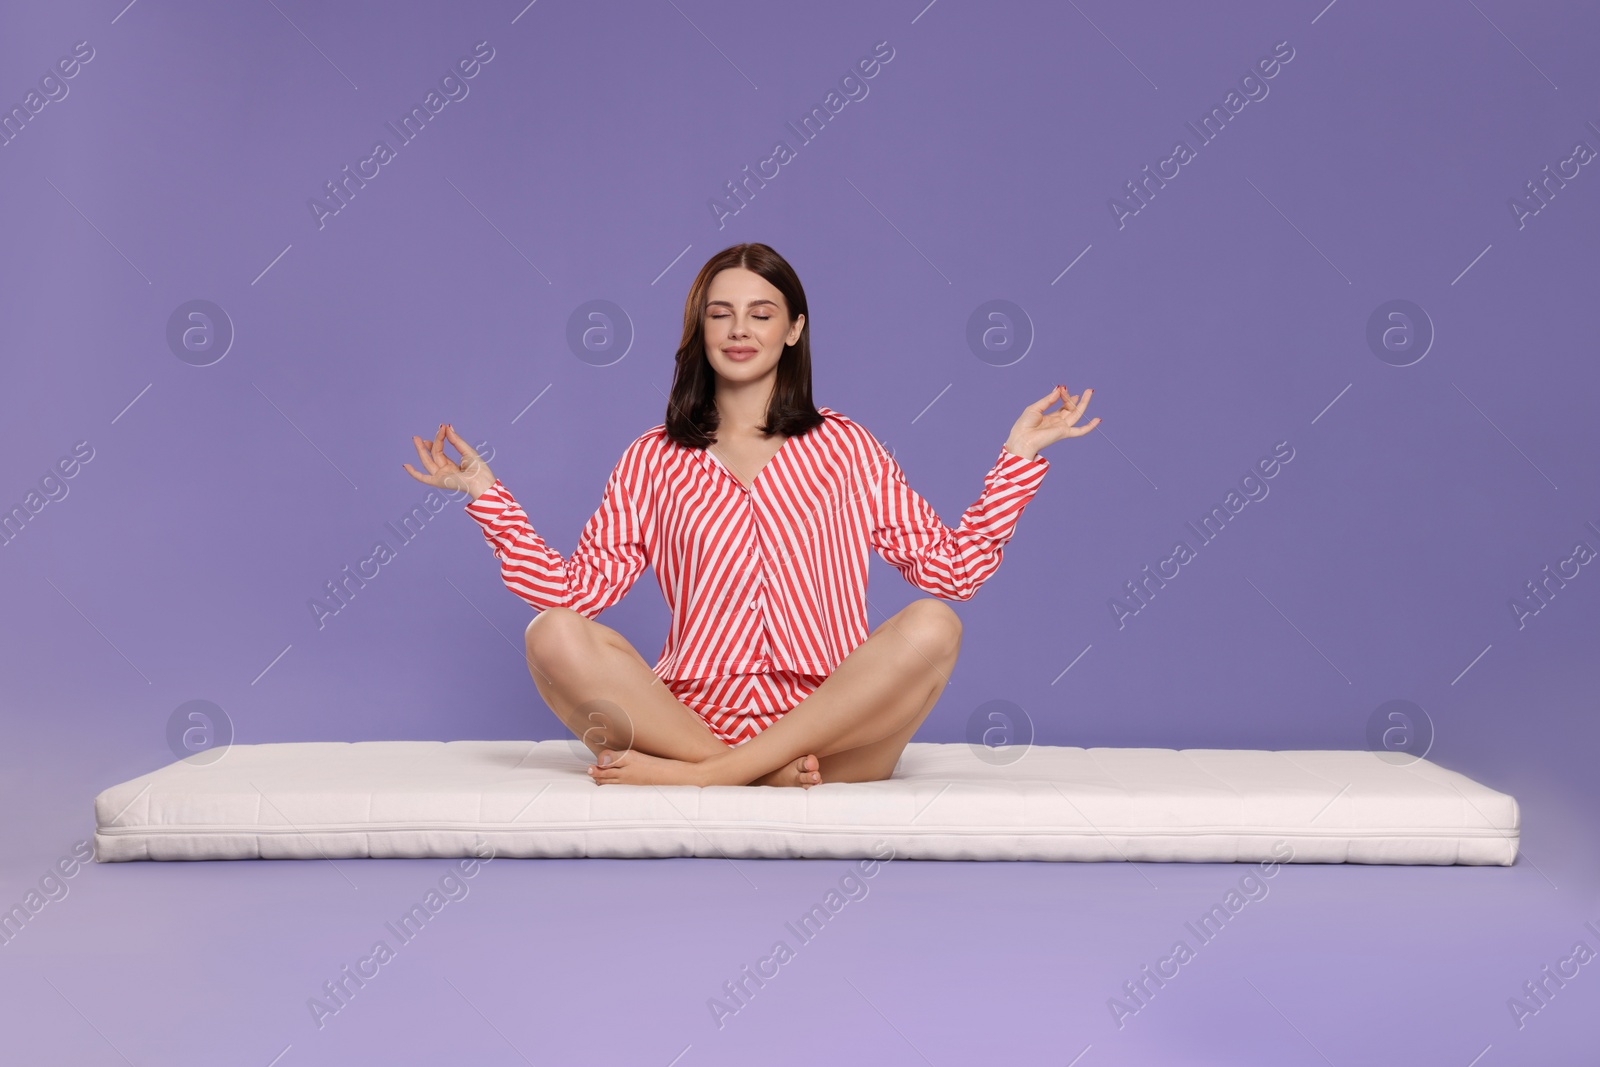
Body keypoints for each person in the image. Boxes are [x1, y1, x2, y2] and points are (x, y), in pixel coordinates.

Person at [403, 242, 1098, 789]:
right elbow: (576, 594)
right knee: (550, 632)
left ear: (794, 328)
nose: (740, 329)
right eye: (720, 312)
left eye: (761, 313)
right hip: (681, 722)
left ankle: (708, 780)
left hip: (832, 735)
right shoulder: (653, 459)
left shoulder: (846, 446)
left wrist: (1020, 455)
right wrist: (486, 495)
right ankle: (736, 770)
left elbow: (953, 569)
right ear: (698, 328)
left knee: (935, 622)